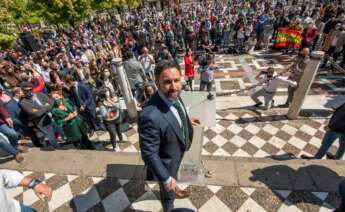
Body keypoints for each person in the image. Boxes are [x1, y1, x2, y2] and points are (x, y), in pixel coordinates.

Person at [139, 60, 200, 212]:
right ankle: (168, 207)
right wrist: (166, 179)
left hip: (176, 151)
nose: (173, 86)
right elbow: (149, 153)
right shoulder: (149, 116)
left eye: (176, 80)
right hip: (167, 163)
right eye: (167, 82)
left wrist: (185, 120)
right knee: (169, 193)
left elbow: (176, 110)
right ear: (157, 82)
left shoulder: (174, 94)